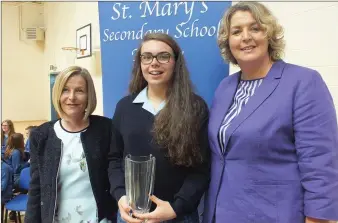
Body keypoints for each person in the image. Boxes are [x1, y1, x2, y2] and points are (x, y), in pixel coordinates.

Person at [203, 2, 338, 223]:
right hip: (221, 213)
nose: (245, 37)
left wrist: (319, 219)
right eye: (236, 32)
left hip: (274, 214)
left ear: (269, 34)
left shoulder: (303, 82)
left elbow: (320, 163)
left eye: (255, 28)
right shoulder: (225, 88)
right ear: (228, 41)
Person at [108, 33, 210, 223]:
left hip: (179, 216)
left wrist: (175, 208)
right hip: (132, 216)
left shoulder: (195, 107)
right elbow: (114, 159)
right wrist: (121, 196)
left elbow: (201, 169)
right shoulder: (125, 107)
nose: (154, 63)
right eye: (146, 56)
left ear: (176, 62)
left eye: (163, 56)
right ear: (140, 63)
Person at [25, 66, 118, 223]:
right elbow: (36, 189)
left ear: (89, 95)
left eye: (79, 90)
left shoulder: (106, 129)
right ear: (57, 94)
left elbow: (115, 174)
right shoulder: (41, 136)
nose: (72, 97)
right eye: (65, 90)